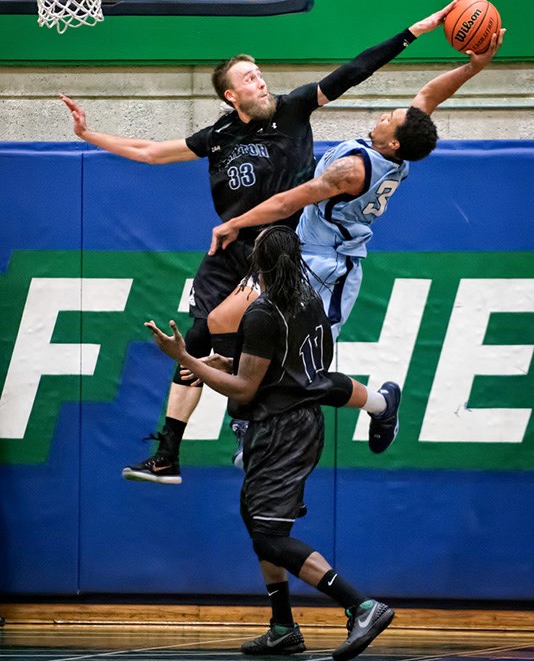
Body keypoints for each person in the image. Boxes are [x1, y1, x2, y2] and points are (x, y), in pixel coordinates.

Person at [60, 0, 459, 485]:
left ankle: (249, 423)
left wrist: (411, 32)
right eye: (249, 78)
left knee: (273, 361)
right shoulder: (220, 133)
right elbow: (149, 153)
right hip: (227, 251)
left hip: (276, 251)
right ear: (231, 95)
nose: (261, 80)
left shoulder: (293, 110)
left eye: (260, 73)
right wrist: (89, 134)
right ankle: (168, 453)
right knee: (198, 337)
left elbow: (355, 69)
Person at [206, 27, 505, 466]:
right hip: (295, 254)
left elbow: (289, 201)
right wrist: (473, 66)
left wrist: (234, 223)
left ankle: (381, 406)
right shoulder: (395, 148)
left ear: (393, 141)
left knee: (310, 378)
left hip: (328, 267)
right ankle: (248, 416)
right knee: (221, 319)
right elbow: (428, 95)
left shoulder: (351, 171)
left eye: (390, 118)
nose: (386, 113)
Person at [145, 225, 400, 661]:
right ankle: (283, 626)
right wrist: (221, 361)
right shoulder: (308, 299)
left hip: (281, 431)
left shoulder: (264, 312)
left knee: (268, 537)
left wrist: (186, 358)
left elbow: (244, 389)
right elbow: (282, 363)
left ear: (256, 263)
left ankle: (361, 605)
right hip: (297, 422)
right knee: (259, 525)